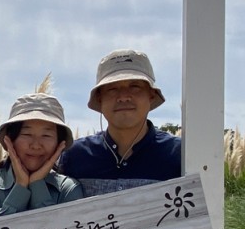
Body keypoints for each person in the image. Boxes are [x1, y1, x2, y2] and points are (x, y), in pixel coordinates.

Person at [60, 48, 181, 197]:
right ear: (100, 98)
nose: (123, 97)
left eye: (135, 86)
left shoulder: (179, 155)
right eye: (112, 89)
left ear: (151, 95)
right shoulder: (74, 156)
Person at [0, 93, 83, 229]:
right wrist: (21, 187)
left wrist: (36, 183)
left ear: (59, 143)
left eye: (46, 135)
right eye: (26, 134)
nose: (36, 145)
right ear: (10, 139)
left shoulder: (68, 189)